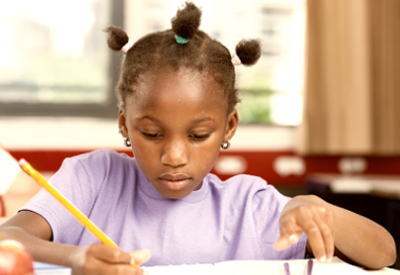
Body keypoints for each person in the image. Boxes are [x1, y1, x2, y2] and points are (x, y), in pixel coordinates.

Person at [0, 2, 396, 275]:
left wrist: (315, 206)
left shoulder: (249, 207)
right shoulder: (91, 179)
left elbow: (384, 253)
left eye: (198, 135)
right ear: (124, 125)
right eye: (151, 133)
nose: (173, 155)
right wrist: (78, 257)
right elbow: (6, 236)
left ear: (229, 128)